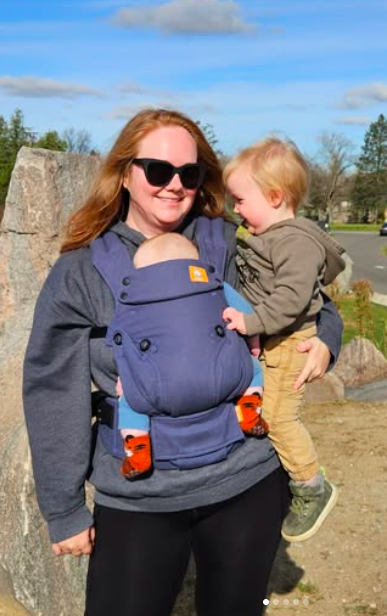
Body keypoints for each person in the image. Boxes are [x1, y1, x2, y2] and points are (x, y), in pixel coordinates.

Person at [22, 109, 343, 616]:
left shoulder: (233, 244)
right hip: (138, 494)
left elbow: (307, 296)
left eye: (189, 174)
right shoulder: (81, 270)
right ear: (124, 173)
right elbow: (51, 385)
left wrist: (327, 338)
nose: (174, 185)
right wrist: (62, 508)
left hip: (246, 479)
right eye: (157, 170)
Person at [222, 137, 346, 542]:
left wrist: (249, 322)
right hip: (275, 341)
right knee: (265, 411)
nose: (235, 209)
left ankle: (311, 486)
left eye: (240, 200)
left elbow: (291, 301)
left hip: (291, 344)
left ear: (275, 196)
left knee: (278, 418)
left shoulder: (295, 242)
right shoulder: (267, 234)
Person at [115, 231, 268, 480]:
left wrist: (128, 380)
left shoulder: (133, 302)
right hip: (224, 375)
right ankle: (249, 409)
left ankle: (138, 448)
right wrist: (253, 345)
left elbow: (123, 341)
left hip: (158, 388)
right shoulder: (216, 285)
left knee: (131, 402)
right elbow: (247, 316)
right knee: (252, 369)